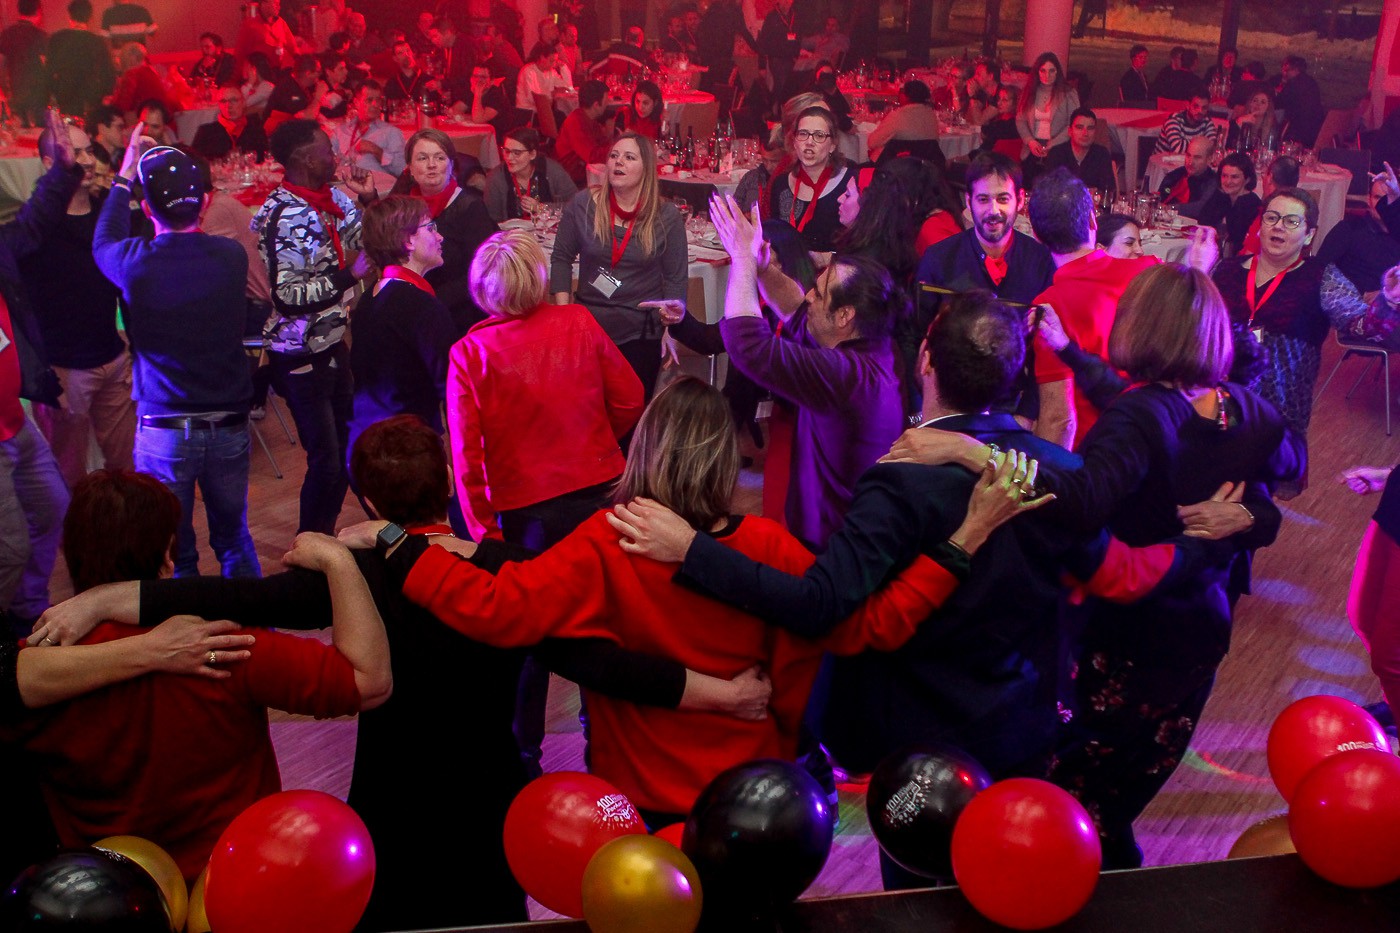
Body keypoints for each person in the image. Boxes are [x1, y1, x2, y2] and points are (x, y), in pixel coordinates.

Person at [607, 286, 1248, 884]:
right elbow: (1118, 575)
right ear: (1016, 377)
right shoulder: (1057, 472)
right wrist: (1208, 544)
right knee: (1005, 876)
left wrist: (692, 549)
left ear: (924, 362)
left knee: (916, 888)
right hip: (1018, 726)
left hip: (916, 744)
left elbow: (820, 605)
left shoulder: (903, 478)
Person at [30, 413, 774, 928]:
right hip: (490, 790)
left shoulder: (351, 570)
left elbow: (232, 592)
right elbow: (604, 666)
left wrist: (109, 594)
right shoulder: (511, 571)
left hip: (391, 797)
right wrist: (726, 694)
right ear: (446, 480)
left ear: (369, 499)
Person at [347, 374, 1023, 828]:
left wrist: (402, 547)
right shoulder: (766, 544)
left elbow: (498, 610)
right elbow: (870, 625)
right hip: (753, 800)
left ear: (646, 445)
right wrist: (961, 541)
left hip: (630, 800)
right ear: (723, 456)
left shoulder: (606, 539)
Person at [7, 468, 389, 883]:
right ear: (168, 558)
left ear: (68, 552)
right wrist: (338, 560)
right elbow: (367, 681)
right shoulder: (220, 645)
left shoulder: (30, 671)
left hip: (102, 893)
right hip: (237, 882)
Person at [92, 137, 260, 578]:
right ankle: (256, 635)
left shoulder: (135, 263)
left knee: (175, 550)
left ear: (146, 210)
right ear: (204, 203)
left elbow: (103, 239)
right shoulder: (230, 256)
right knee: (234, 539)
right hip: (227, 422)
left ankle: (190, 641)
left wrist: (124, 176)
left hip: (164, 430)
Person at [252, 119, 377, 535]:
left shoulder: (331, 198)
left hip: (331, 342)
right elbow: (287, 296)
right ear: (305, 159)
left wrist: (370, 198)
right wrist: (346, 277)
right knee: (327, 461)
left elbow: (369, 239)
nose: (335, 155)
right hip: (299, 353)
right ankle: (310, 551)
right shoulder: (288, 215)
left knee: (343, 456)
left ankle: (324, 541)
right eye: (327, 149)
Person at [1211, 187, 1357, 496]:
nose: (1278, 226)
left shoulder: (1321, 277)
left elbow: (1360, 323)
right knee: (1216, 479)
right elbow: (1192, 323)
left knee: (1255, 498)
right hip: (1225, 402)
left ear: (1308, 235)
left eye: (1291, 221)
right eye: (1272, 218)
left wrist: (1389, 301)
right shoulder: (1226, 271)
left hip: (1277, 411)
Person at [0, 110, 84, 641]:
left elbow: (33, 220)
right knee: (8, 546)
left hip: (16, 422)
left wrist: (64, 168)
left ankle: (27, 609)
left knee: (53, 506)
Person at [26, 120, 134, 493]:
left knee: (129, 470)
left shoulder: (109, 213)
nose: (88, 160)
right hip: (65, 371)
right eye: (75, 152)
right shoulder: (35, 227)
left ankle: (128, 542)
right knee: (68, 476)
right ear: (47, 162)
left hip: (114, 359)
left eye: (89, 150)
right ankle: (76, 547)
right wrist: (42, 374)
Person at [1025, 168, 1163, 449]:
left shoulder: (1050, 307)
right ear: (1092, 219)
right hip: (1156, 438)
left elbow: (1059, 420)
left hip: (1094, 453)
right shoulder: (1151, 270)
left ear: (1037, 236)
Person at [551, 133, 685, 399]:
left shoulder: (666, 216)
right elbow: (561, 258)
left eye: (629, 157)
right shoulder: (584, 204)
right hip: (588, 326)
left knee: (633, 413)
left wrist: (672, 331)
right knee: (589, 414)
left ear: (646, 169)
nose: (618, 162)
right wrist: (564, 318)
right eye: (614, 156)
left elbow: (675, 279)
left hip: (641, 331)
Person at [345, 196, 453, 464]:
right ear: (407, 241)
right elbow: (453, 390)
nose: (440, 237)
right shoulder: (422, 308)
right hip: (409, 455)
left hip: (371, 447)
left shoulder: (371, 298)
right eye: (431, 228)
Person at [389, 127, 499, 333]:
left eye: (439, 158)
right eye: (422, 158)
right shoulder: (403, 204)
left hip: (458, 313)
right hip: (410, 305)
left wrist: (430, 302)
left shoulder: (470, 207)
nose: (431, 165)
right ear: (410, 168)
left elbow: (480, 272)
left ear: (451, 165)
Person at [917, 151, 1056, 310]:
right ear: (969, 201)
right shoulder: (939, 260)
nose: (993, 211)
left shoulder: (1040, 260)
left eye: (1003, 199)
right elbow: (916, 330)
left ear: (1020, 200)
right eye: (983, 200)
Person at [769, 106, 854, 254]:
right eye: (803, 134)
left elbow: (861, 246)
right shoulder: (781, 184)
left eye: (819, 135)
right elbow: (775, 239)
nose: (809, 142)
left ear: (832, 145)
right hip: (789, 273)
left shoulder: (850, 185)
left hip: (835, 273)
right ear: (794, 141)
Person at [484, 126, 576, 223]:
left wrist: (542, 208)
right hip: (511, 235)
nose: (509, 158)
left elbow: (577, 204)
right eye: (506, 151)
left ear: (532, 154)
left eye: (517, 153)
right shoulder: (496, 177)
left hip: (548, 232)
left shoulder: (551, 170)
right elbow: (491, 220)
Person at [46, 0, 114, 118]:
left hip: (64, 94)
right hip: (90, 97)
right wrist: (105, 93)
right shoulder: (97, 42)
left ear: (69, 15)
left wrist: (52, 91)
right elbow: (107, 72)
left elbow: (48, 69)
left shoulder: (57, 39)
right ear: (90, 17)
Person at [330, 81, 406, 177]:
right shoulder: (340, 131)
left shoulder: (391, 132)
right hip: (344, 186)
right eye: (369, 100)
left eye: (378, 100)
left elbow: (402, 171)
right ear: (356, 103)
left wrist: (377, 151)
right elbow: (325, 161)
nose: (375, 104)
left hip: (377, 188)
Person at [1016, 52, 1079, 166]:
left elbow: (1074, 123)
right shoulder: (1029, 92)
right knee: (1029, 171)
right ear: (1037, 72)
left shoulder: (1068, 93)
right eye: (1043, 71)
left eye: (1051, 71)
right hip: (1033, 145)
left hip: (1060, 145)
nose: (1047, 75)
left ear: (1057, 72)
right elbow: (1020, 120)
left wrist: (1053, 143)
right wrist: (1030, 141)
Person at [1198, 152, 1262, 255]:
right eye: (1224, 176)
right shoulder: (1224, 197)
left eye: (1234, 177)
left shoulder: (1250, 204)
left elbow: (1237, 239)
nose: (1228, 181)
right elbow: (1203, 220)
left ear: (1247, 179)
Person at [1044, 107, 1116, 196]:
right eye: (1079, 127)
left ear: (1095, 132)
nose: (1085, 133)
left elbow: (1108, 190)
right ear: (1070, 131)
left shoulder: (1102, 154)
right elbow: (1050, 190)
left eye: (1090, 128)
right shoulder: (1056, 153)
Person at [555, 77, 613, 186]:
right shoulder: (576, 122)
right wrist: (615, 150)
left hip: (585, 172)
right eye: (606, 100)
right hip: (573, 179)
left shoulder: (589, 119)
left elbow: (603, 143)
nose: (608, 103)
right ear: (596, 105)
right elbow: (591, 156)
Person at [866, 80, 939, 163]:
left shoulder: (898, 116)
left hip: (894, 169)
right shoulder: (931, 116)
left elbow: (872, 142)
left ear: (906, 96)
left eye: (902, 92)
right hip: (926, 169)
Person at [192, 84, 269, 162]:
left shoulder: (255, 130)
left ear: (243, 103)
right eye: (223, 101)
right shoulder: (206, 132)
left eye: (234, 100)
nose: (228, 106)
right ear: (219, 105)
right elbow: (196, 163)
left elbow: (265, 159)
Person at [0, 0, 47, 127]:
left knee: (20, 134)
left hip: (16, 93)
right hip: (38, 95)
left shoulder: (7, 34)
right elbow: (45, 65)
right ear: (38, 12)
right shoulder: (40, 36)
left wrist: (4, 89)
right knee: (39, 133)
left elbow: (1, 64)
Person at [696, 0, 757, 92]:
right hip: (719, 57)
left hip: (720, 58)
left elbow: (742, 30)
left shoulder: (721, 10)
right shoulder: (718, 12)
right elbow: (742, 30)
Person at [1157, 136, 1219, 220]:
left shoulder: (1213, 182)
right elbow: (1161, 196)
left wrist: (1170, 208)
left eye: (1197, 157)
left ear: (1209, 159)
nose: (1190, 162)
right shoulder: (1176, 175)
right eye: (1188, 155)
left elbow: (1201, 208)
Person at [110, 42, 171, 122]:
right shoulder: (152, 73)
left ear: (131, 59)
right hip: (162, 122)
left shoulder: (132, 74)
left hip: (144, 124)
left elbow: (121, 106)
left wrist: (109, 103)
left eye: (123, 60)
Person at [757, 0, 801, 108]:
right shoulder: (772, 17)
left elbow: (799, 37)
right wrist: (762, 65)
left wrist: (796, 55)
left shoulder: (795, 16)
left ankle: (777, 109)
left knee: (786, 87)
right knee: (781, 84)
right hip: (776, 59)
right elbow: (763, 41)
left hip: (790, 59)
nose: (786, 2)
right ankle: (776, 111)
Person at [452, 64, 511, 139]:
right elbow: (455, 110)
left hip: (496, 139)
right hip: (477, 136)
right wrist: (470, 117)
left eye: (483, 77)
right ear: (470, 79)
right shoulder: (471, 92)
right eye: (475, 76)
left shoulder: (496, 95)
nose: (478, 80)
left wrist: (478, 95)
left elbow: (478, 119)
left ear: (491, 81)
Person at [236, 0, 298, 70]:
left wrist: (299, 60)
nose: (279, 7)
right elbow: (240, 54)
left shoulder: (281, 23)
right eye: (275, 3)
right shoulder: (250, 25)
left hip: (279, 72)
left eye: (279, 4)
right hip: (260, 74)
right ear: (264, 3)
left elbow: (293, 47)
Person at [1276, 55, 1323, 146]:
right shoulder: (1311, 81)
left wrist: (1280, 89)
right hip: (1315, 128)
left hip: (1297, 129)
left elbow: (1279, 103)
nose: (1284, 73)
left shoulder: (1293, 83)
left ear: (1296, 70)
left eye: (1286, 70)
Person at [1225, 87, 1279, 153]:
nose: (1258, 104)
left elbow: (1272, 151)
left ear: (1268, 108)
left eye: (1263, 102)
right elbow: (1228, 146)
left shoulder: (1272, 127)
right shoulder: (1239, 120)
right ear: (1250, 104)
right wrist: (1239, 123)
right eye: (1255, 100)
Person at [979, 84, 1021, 151]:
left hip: (994, 158)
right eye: (999, 99)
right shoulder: (1004, 120)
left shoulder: (1007, 124)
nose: (999, 103)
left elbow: (984, 133)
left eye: (1004, 100)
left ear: (1015, 102)